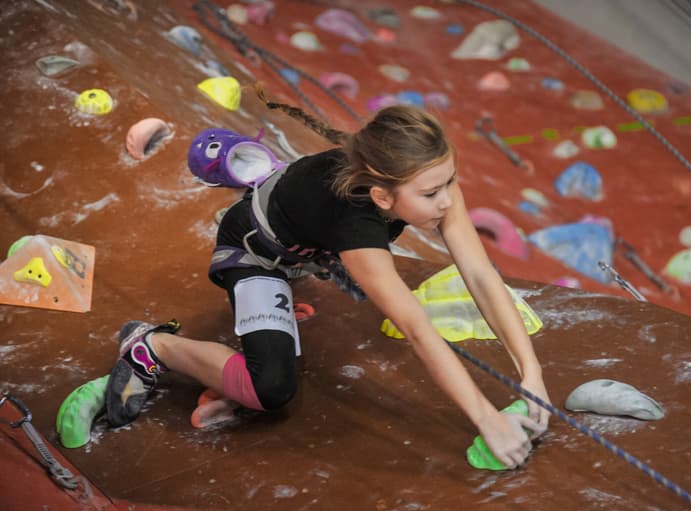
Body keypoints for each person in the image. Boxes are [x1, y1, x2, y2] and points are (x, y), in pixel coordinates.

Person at [105, 89, 550, 469]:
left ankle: (249, 345)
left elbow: (478, 274)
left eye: (451, 182)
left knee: (283, 345)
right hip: (257, 256)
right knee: (271, 389)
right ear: (381, 195)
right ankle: (152, 346)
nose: (448, 201)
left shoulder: (425, 180)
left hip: (308, 248)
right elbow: (417, 328)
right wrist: (486, 419)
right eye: (433, 193)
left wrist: (531, 375)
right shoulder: (355, 229)